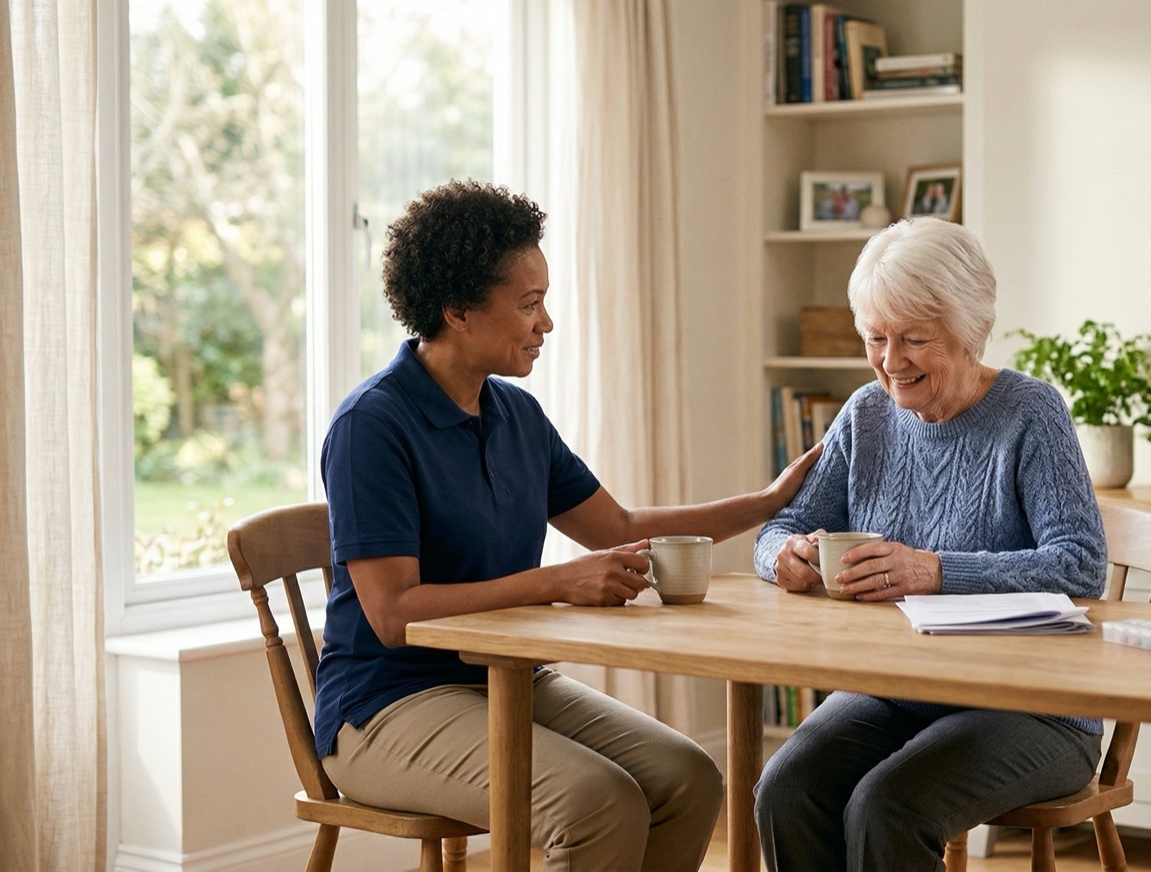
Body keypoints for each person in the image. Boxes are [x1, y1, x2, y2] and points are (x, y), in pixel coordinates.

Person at [315, 180, 820, 872]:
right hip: (385, 706)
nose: (545, 323)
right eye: (529, 305)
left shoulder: (516, 417)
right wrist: (557, 583)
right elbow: (393, 614)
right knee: (596, 802)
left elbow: (619, 524)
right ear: (457, 309)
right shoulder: (372, 426)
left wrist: (765, 503)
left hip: (505, 680)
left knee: (689, 778)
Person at [751, 217, 1108, 871]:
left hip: (1034, 709)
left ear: (970, 330)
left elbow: (1081, 565)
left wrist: (934, 570)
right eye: (876, 338)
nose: (891, 362)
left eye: (914, 338)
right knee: (785, 789)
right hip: (894, 690)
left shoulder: (1031, 413)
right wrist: (784, 556)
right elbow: (777, 529)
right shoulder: (866, 413)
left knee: (889, 805)